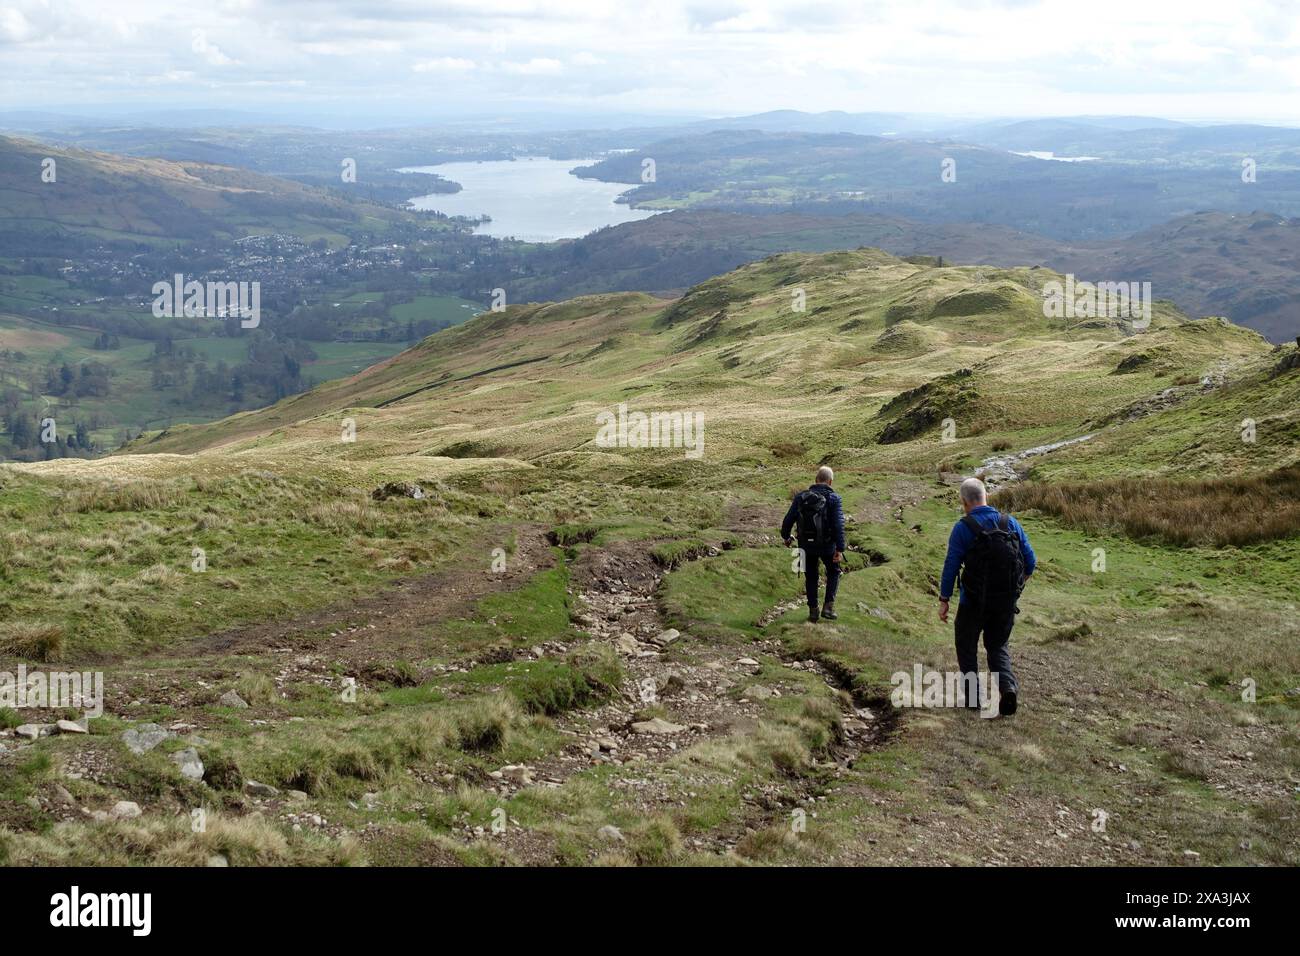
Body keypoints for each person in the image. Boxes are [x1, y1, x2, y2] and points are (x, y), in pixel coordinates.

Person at [938, 477, 1036, 716]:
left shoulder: (963, 527)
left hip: (972, 602)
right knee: (997, 646)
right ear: (986, 496)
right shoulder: (1010, 523)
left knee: (967, 646)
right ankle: (1008, 688)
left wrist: (944, 599)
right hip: (1004, 603)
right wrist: (1015, 587)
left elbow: (951, 565)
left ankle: (973, 700)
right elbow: (1030, 561)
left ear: (964, 501)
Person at [781, 466, 846, 623]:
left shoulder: (800, 497)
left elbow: (788, 520)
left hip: (805, 545)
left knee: (810, 576)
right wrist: (840, 548)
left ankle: (813, 611)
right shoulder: (834, 499)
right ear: (830, 482)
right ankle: (828, 608)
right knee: (833, 571)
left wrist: (786, 536)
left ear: (816, 480)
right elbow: (838, 525)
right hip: (827, 545)